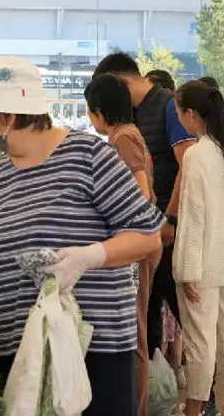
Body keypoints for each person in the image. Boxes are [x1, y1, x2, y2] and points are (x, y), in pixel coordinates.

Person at [0, 56, 164, 415]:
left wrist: (89, 257)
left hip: (93, 353)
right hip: (23, 357)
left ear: (9, 115)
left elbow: (147, 235)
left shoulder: (89, 156)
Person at [93, 52, 196, 359]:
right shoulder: (134, 117)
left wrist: (171, 220)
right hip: (151, 230)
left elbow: (189, 167)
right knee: (151, 312)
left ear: (123, 83)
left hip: (168, 228)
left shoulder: (169, 107)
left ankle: (210, 381)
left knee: (186, 311)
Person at [84, 73, 161, 415]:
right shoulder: (124, 135)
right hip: (139, 244)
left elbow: (140, 193)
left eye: (90, 111)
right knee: (134, 331)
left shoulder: (124, 139)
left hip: (137, 246)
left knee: (134, 334)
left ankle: (136, 408)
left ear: (99, 112)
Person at [171, 80, 224, 416]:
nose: (179, 118)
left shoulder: (197, 154)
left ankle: (193, 410)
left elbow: (193, 216)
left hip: (202, 263)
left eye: (179, 112)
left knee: (200, 343)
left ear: (191, 114)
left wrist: (188, 270)